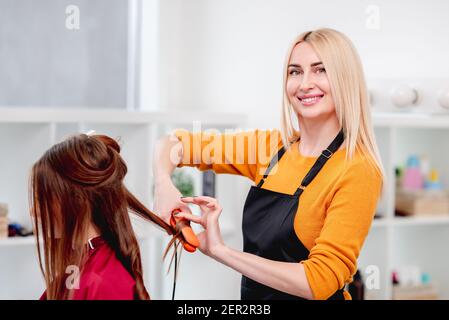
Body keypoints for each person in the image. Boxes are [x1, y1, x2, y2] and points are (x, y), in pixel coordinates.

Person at [153, 28, 384, 300]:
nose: (305, 84)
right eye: (295, 71)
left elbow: (318, 281)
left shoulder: (357, 169)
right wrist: (163, 185)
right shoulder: (270, 149)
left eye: (320, 70)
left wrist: (221, 251)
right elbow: (173, 143)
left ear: (346, 79)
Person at [30, 133, 174, 300]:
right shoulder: (80, 262)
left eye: (42, 199)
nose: (34, 211)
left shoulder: (105, 284)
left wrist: (163, 182)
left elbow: (172, 141)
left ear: (76, 200)